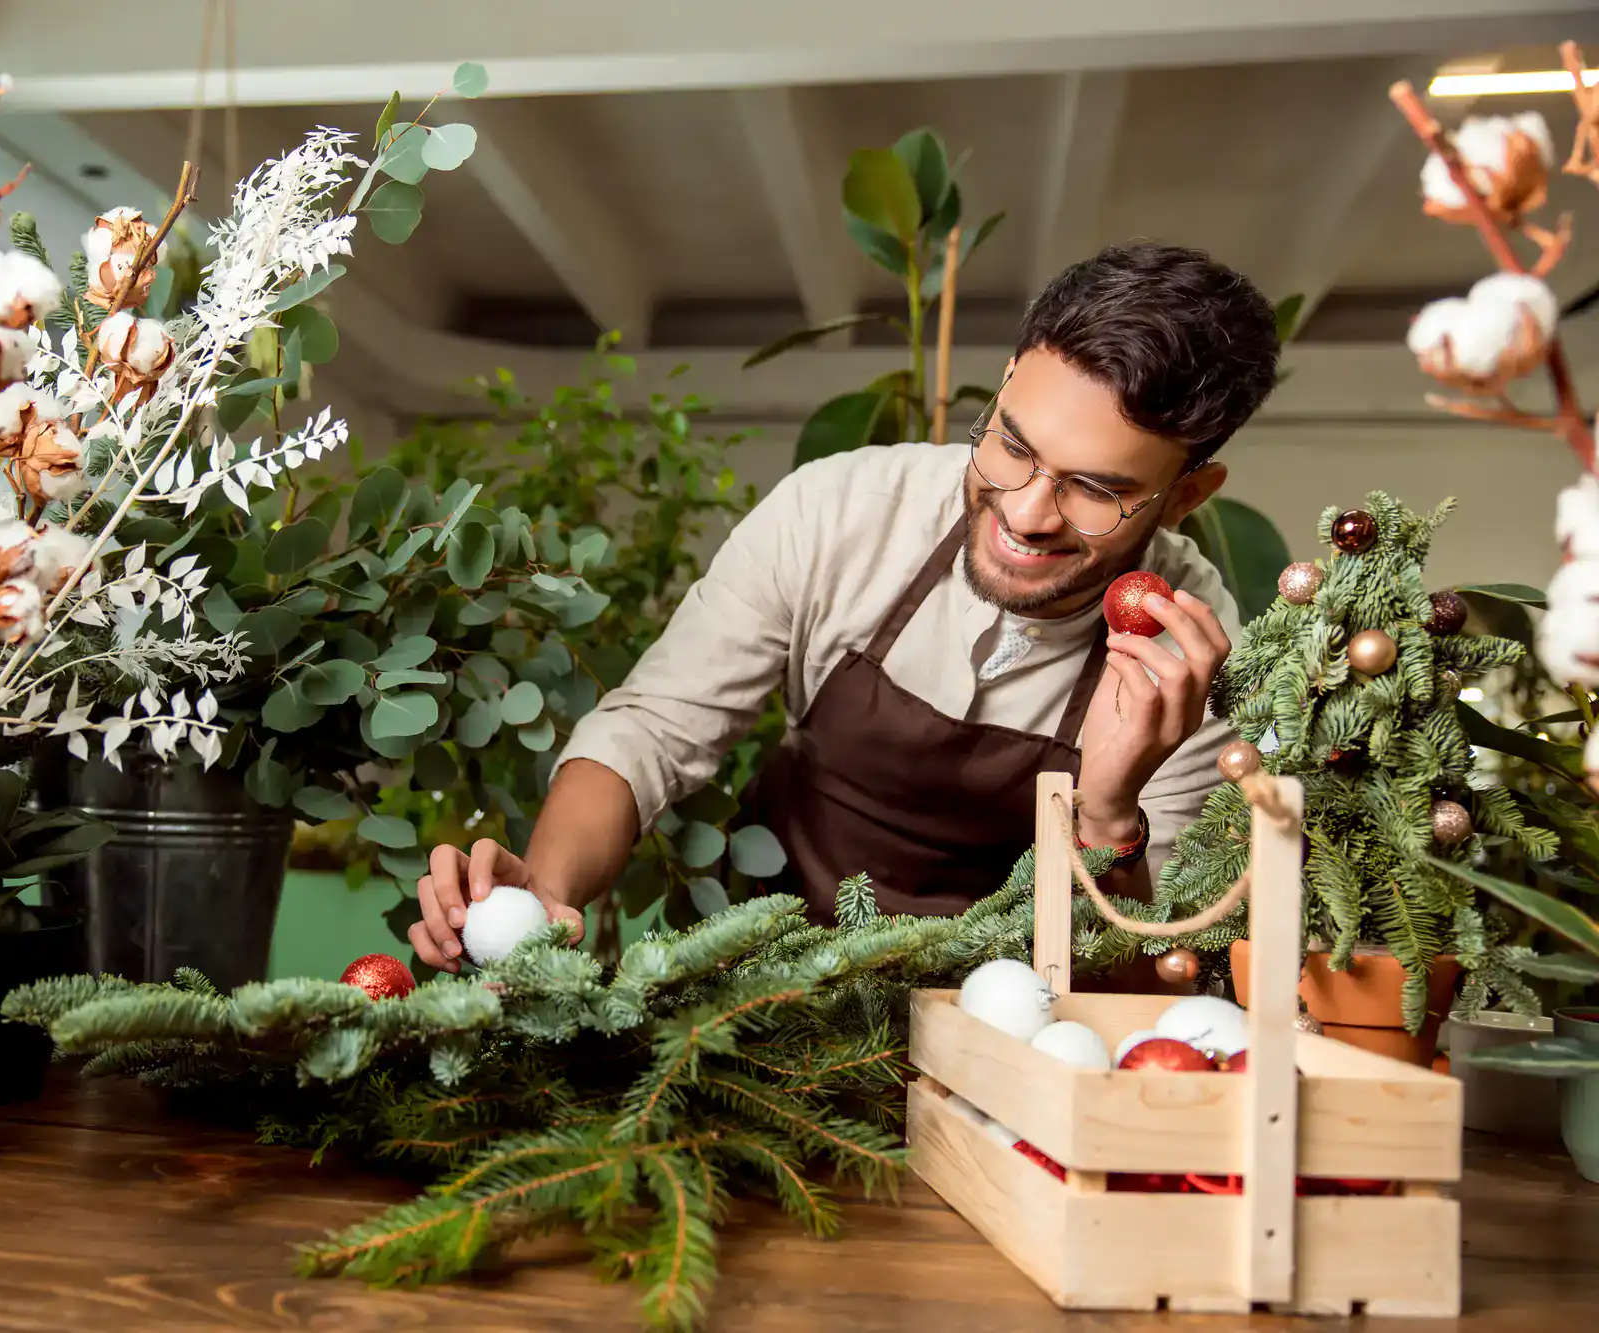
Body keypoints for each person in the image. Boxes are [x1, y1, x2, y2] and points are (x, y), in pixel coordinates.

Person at [408, 243, 1281, 973]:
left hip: (985, 1036)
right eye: (1012, 444)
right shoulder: (839, 511)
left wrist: (1108, 810)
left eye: (1096, 489)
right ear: (1008, 381)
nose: (1025, 511)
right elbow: (651, 730)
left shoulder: (1195, 663)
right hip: (751, 976)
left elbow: (1147, 961)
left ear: (1186, 495)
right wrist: (546, 889)